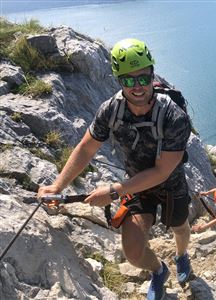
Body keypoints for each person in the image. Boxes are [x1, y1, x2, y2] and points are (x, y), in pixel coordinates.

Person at [37, 38, 192, 300]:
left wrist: (113, 191)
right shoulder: (111, 110)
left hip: (170, 185)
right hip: (136, 185)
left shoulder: (174, 117)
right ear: (119, 80)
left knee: (179, 227)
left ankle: (181, 254)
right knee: (132, 251)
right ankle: (159, 270)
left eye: (143, 78)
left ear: (152, 74)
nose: (138, 87)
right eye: (128, 80)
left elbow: (162, 171)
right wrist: (58, 185)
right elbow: (86, 148)